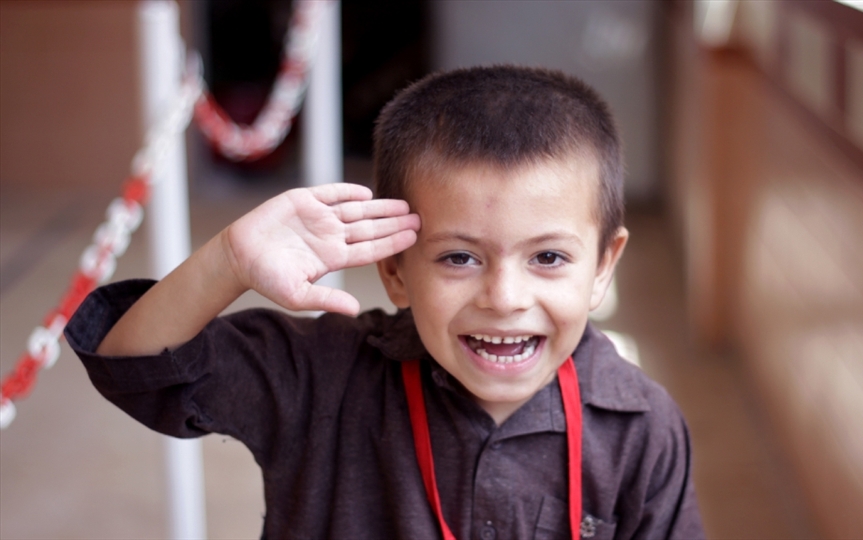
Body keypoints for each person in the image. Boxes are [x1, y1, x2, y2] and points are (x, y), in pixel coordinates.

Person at [66, 65, 704, 539]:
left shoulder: (641, 426)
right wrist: (227, 262)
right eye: (459, 257)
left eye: (548, 258)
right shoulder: (320, 376)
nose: (505, 298)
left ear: (602, 267)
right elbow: (133, 365)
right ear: (395, 271)